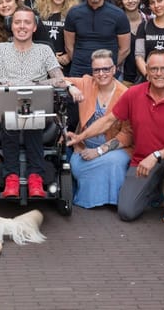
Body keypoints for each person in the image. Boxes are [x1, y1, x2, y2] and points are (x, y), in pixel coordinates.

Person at [68, 50, 164, 224]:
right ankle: (154, 191)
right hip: (142, 160)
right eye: (154, 69)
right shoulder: (134, 93)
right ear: (147, 71)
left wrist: (156, 155)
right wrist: (80, 137)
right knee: (126, 212)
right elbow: (108, 120)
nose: (159, 74)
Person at [0, 6, 83, 198]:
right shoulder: (0, 49)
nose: (22, 26)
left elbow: (59, 79)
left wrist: (38, 83)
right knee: (12, 117)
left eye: (27, 22)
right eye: (18, 22)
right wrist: (2, 88)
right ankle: (11, 177)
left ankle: (36, 176)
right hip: (8, 105)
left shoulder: (44, 50)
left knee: (31, 117)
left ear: (34, 27)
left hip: (37, 108)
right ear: (11, 26)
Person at [65, 50, 132, 208]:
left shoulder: (126, 94)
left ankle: (113, 200)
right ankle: (91, 199)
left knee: (113, 161)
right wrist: (71, 88)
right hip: (85, 146)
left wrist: (100, 151)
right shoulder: (87, 83)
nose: (101, 74)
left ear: (114, 69)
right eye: (97, 70)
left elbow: (128, 134)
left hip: (115, 148)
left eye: (106, 69)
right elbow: (57, 79)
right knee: (77, 164)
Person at [64, 0, 130, 77]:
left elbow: (125, 49)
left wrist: (108, 67)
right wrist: (80, 62)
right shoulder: (73, 13)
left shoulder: (118, 14)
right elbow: (69, 47)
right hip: (79, 72)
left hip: (107, 74)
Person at [35, 0, 79, 75]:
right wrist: (51, 57)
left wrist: (69, 55)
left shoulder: (74, 14)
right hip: (41, 70)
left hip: (67, 68)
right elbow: (32, 41)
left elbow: (81, 39)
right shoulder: (37, 14)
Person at [113, 0, 147, 85]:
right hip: (122, 76)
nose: (130, 1)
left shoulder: (150, 21)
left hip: (146, 75)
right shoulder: (116, 23)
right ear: (121, 1)